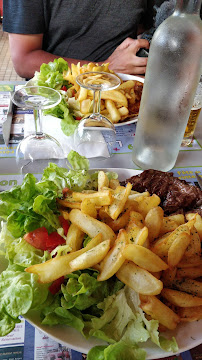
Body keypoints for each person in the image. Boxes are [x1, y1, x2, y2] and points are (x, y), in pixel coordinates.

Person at [3, 0, 165, 79]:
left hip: (125, 95)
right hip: (58, 98)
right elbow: (24, 60)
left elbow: (149, 25)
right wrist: (104, 68)